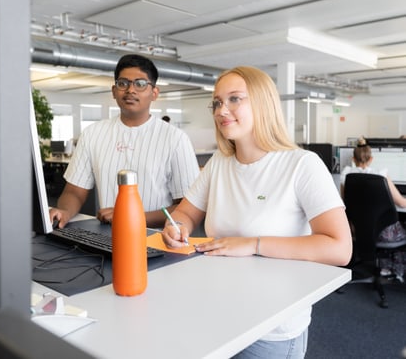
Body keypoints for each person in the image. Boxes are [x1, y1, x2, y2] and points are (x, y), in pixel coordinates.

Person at [161, 66, 352, 359]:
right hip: (218, 311)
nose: (222, 109)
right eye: (217, 102)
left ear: (263, 103)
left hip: (270, 327)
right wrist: (178, 227)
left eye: (235, 99)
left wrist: (252, 243)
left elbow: (340, 248)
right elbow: (185, 212)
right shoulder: (219, 163)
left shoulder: (302, 164)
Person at [50, 54, 200, 228]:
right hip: (107, 236)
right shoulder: (93, 134)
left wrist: (131, 217)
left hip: (158, 238)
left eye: (140, 84)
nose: (130, 90)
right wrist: (65, 212)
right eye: (123, 83)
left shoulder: (175, 139)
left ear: (154, 93)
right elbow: (74, 191)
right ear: (114, 91)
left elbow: (189, 207)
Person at [340, 136, 406, 279]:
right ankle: (392, 268)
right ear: (371, 159)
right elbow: (402, 203)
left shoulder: (345, 175)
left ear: (353, 158)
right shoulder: (381, 174)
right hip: (384, 234)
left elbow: (344, 205)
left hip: (357, 231)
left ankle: (384, 267)